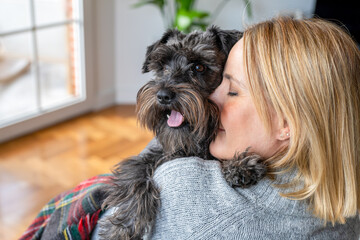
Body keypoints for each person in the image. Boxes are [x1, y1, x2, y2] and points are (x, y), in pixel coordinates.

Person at [135, 16, 359, 239]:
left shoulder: (188, 192)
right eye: (220, 81)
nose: (212, 97)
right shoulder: (343, 195)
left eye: (233, 91)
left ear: (287, 124)